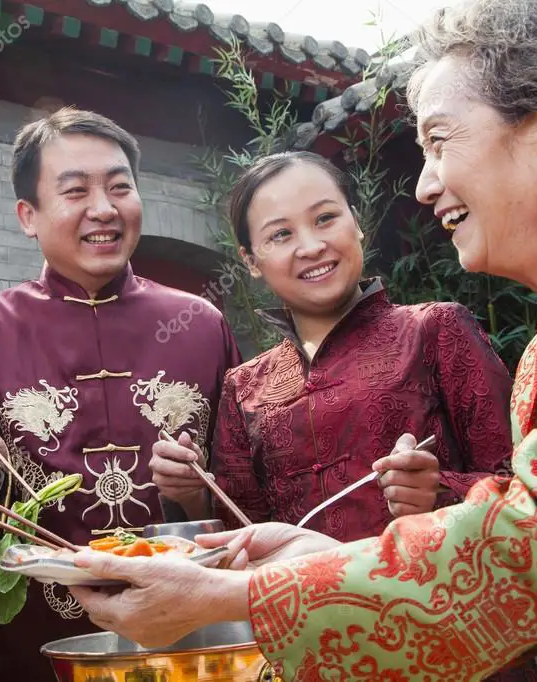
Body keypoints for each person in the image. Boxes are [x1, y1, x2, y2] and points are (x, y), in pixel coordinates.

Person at [66, 1, 537, 680]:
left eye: (440, 142)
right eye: (277, 235)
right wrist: (304, 552)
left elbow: (530, 542)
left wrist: (233, 594)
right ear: (250, 260)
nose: (422, 184)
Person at [0, 107, 242, 679]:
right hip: (34, 635)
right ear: (29, 215)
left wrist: (198, 493)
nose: (104, 209)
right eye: (75, 191)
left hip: (185, 630)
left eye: (119, 187)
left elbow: (248, 493)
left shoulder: (201, 323)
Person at [151, 151, 516, 543]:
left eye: (325, 218)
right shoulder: (245, 386)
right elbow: (243, 531)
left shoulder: (435, 330)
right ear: (251, 260)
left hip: (428, 597)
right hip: (296, 601)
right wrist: (194, 494)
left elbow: (521, 490)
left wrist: (440, 489)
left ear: (356, 223)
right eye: (280, 235)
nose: (310, 246)